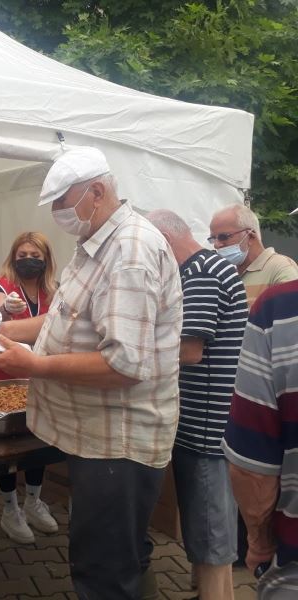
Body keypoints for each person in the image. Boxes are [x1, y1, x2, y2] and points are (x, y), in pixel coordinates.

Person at [0, 147, 183, 599]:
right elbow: (64, 318)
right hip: (97, 437)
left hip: (118, 444)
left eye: (61, 202)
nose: (57, 214)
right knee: (122, 556)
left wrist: (35, 365)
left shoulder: (129, 251)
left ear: (97, 191)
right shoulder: (95, 244)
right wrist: (3, 329)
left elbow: (125, 363)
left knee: (103, 570)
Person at [148, 209, 248, 600]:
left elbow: (188, 351)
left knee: (210, 530)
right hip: (200, 421)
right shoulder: (197, 271)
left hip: (208, 427)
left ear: (165, 241)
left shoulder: (202, 274)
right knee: (207, 525)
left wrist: (130, 357)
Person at [222, 278, 298, 599]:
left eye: (223, 237)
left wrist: (260, 543)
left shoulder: (278, 308)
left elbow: (253, 467)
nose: (217, 243)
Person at [0, 232, 58, 544]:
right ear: (14, 256)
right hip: (4, 374)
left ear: (46, 259)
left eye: (35, 255)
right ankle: (10, 508)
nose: (28, 260)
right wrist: (5, 309)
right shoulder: (4, 284)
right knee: (8, 446)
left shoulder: (51, 290)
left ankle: (34, 500)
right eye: (23, 254)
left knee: (38, 440)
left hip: (38, 375)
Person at [209, 204, 298, 307]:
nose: (216, 244)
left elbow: (291, 319)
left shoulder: (280, 268)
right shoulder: (227, 275)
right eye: (213, 239)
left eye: (223, 237)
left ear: (250, 236)